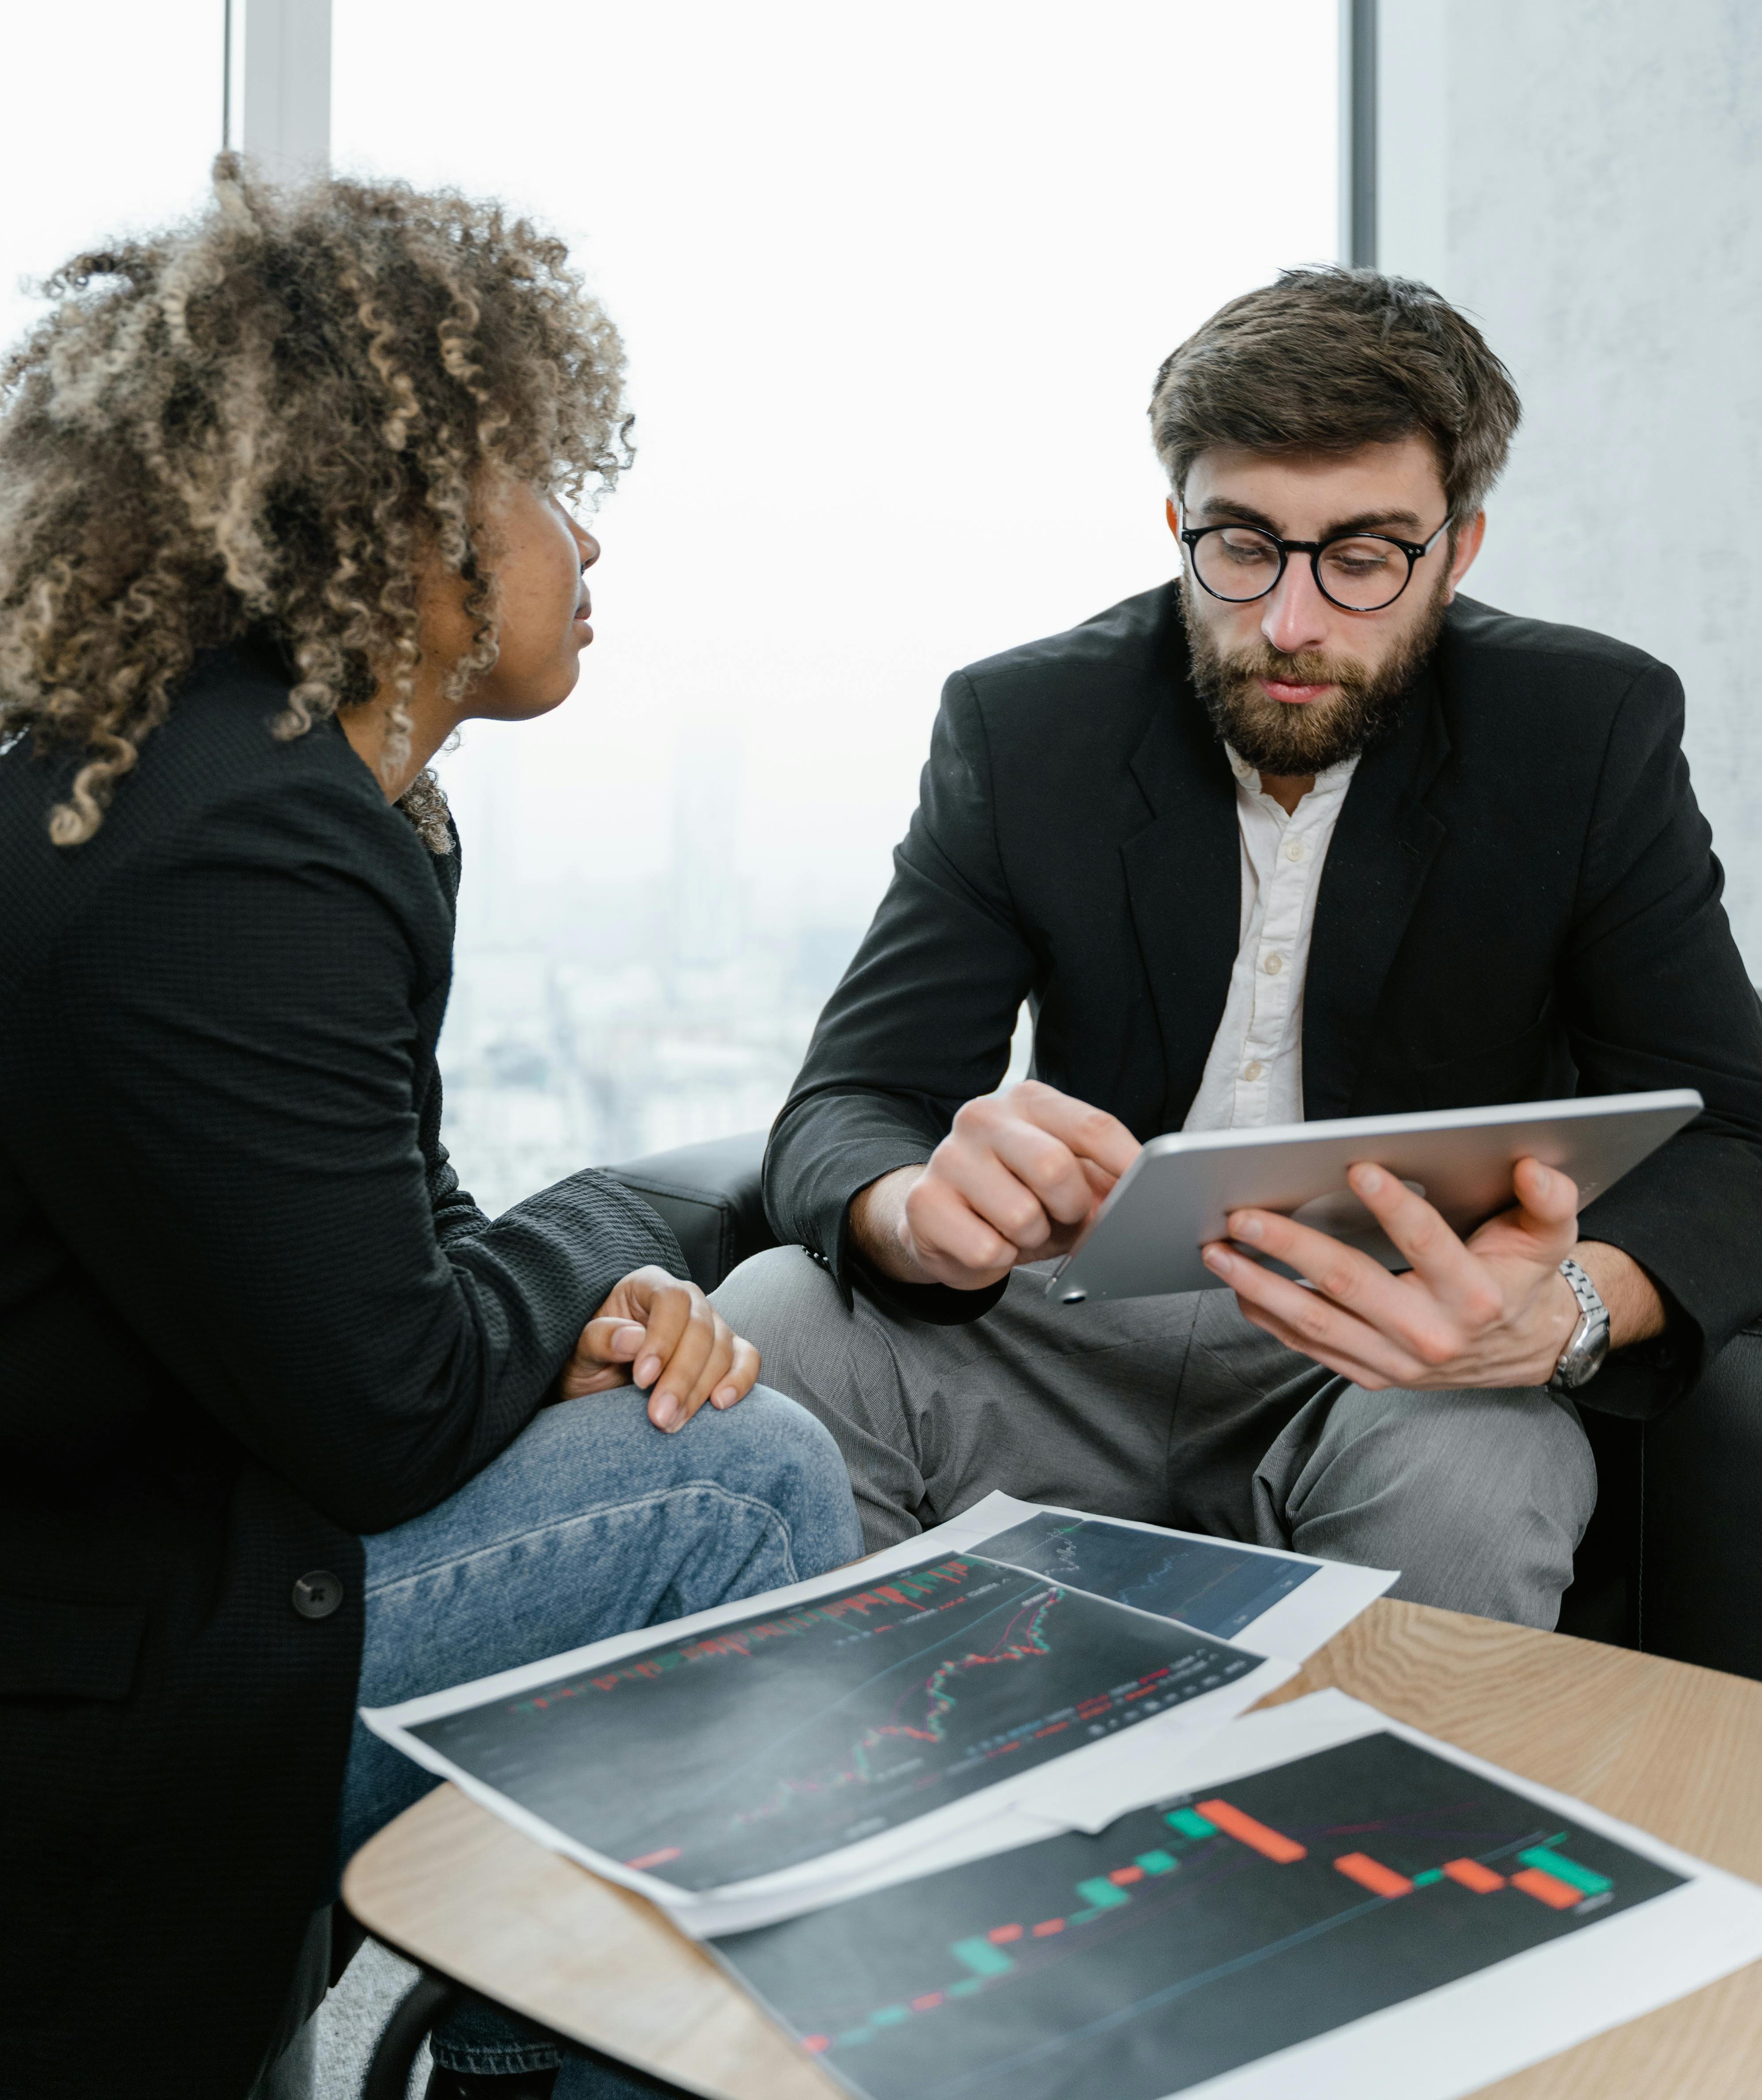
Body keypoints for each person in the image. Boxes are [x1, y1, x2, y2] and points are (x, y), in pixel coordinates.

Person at [0, 162, 860, 2100]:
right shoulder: (233, 836)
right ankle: (531, 2052)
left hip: (138, 1548)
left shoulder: (280, 790)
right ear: (397, 517)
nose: (586, 538)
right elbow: (386, 1401)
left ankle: (507, 2030)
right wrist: (621, 1230)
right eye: (549, 479)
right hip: (89, 1666)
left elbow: (397, 1233)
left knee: (684, 1419)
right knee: (741, 1478)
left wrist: (590, 1285)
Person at [713, 265, 1762, 1632]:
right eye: (1244, 546)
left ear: (1460, 550)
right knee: (776, 1314)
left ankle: (1361, 1839)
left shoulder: (1588, 728)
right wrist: (911, 1211)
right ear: (1177, 522)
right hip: (1059, 1320)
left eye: (1366, 557)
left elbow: (1738, 1135)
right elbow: (855, 1098)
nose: (1291, 621)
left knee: (1484, 1468)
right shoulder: (1026, 723)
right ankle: (870, 1805)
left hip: (1390, 1351)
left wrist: (1562, 1307)